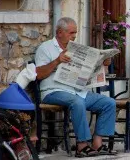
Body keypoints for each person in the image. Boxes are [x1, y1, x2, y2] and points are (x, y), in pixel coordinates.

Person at [35, 17, 116, 157]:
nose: (74, 36)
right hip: (53, 91)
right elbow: (39, 74)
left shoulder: (77, 48)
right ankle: (82, 146)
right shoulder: (45, 48)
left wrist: (102, 63)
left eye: (75, 33)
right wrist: (57, 61)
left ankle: (97, 143)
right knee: (76, 102)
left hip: (77, 90)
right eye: (71, 33)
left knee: (109, 103)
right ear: (59, 32)